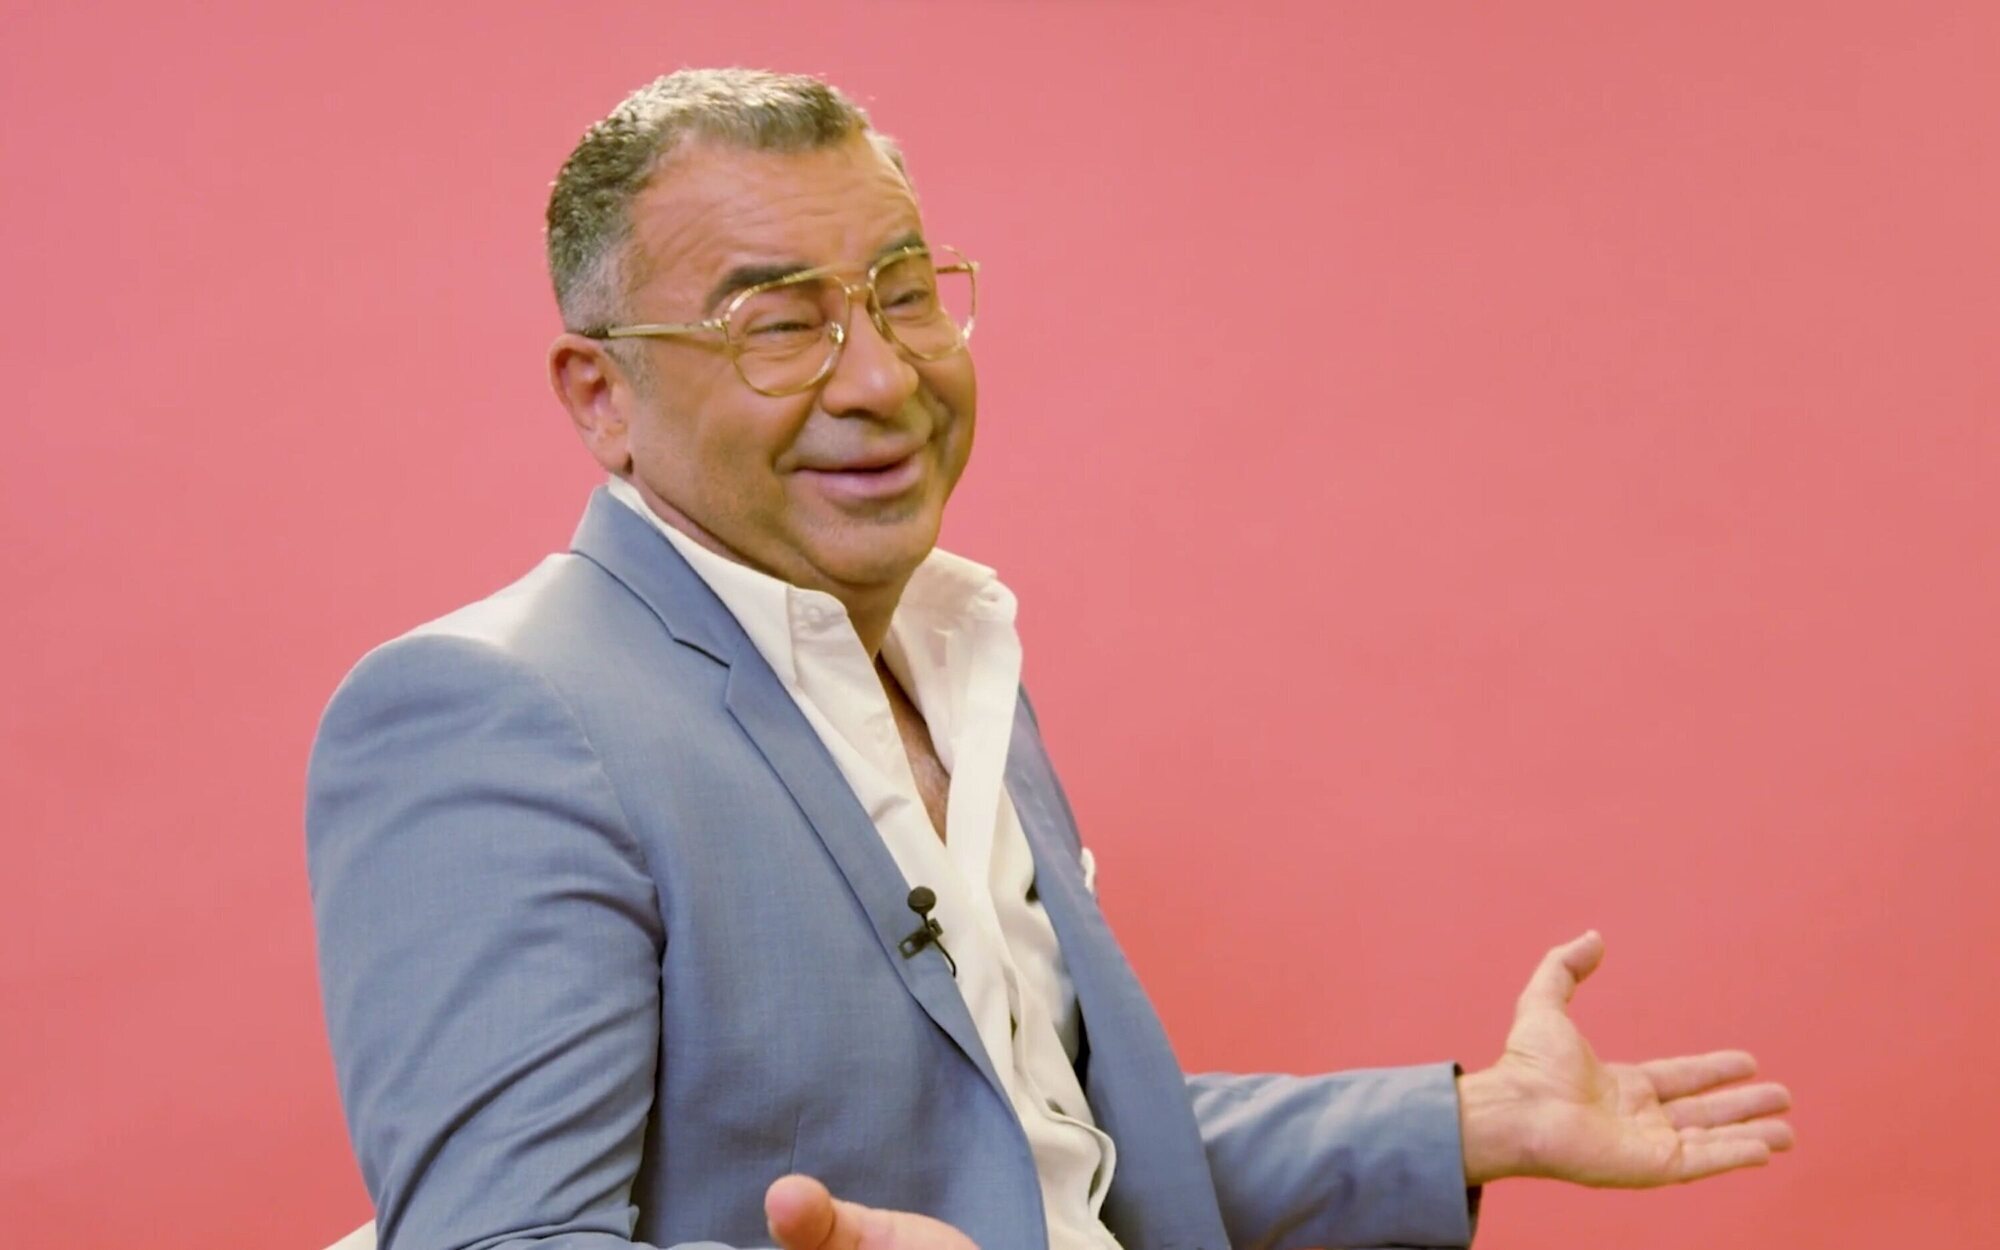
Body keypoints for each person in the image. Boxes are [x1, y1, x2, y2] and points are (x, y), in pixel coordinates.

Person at [306, 68, 1793, 1250]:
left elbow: (1045, 1145)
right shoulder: (494, 713)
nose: (882, 376)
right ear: (601, 396)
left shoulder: (952, 662)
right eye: (781, 324)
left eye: (903, 293)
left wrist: (1469, 1122)